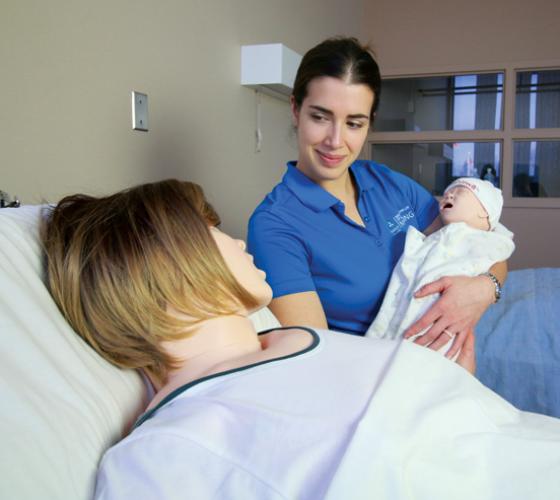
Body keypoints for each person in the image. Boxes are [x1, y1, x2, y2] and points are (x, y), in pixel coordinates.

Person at [42, 179, 560, 499]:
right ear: (170, 266)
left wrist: (450, 381)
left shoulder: (289, 339)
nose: (237, 239)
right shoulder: (162, 453)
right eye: (213, 231)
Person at [248, 37, 507, 358]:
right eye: (320, 117)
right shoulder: (275, 225)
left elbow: (485, 246)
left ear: (370, 123)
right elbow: (317, 356)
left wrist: (482, 290)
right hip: (374, 380)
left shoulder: (387, 182)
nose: (335, 140)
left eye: (354, 123)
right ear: (295, 109)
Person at [366, 178, 515, 356]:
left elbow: (501, 253)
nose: (449, 195)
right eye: (446, 194)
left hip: (441, 314)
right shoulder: (438, 236)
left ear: (484, 212)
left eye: (460, 192)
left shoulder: (487, 240)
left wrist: (488, 285)